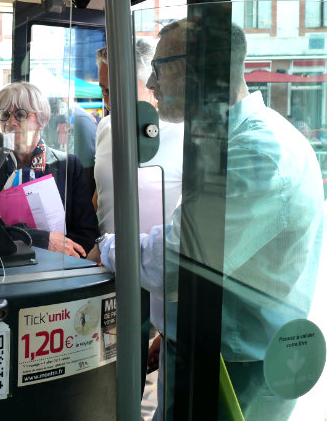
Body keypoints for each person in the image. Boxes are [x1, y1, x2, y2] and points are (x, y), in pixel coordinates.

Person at [91, 18, 323, 421]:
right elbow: (222, 266)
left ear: (197, 70)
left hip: (233, 369)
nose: (151, 86)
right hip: (211, 347)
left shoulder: (257, 155)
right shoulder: (233, 141)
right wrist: (174, 329)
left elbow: (176, 264)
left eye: (160, 69)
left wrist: (106, 250)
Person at [92, 41, 183, 421]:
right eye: (102, 89)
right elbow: (105, 196)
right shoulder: (106, 127)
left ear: (149, 81)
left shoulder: (181, 132)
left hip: (156, 283)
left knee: (145, 398)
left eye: (114, 90)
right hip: (108, 275)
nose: (107, 100)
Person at [0, 81, 99, 257]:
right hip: (6, 269)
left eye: (20, 114)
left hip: (57, 270)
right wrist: (42, 240)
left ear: (41, 120)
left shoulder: (68, 166)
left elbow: (87, 235)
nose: (11, 122)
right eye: (4, 115)